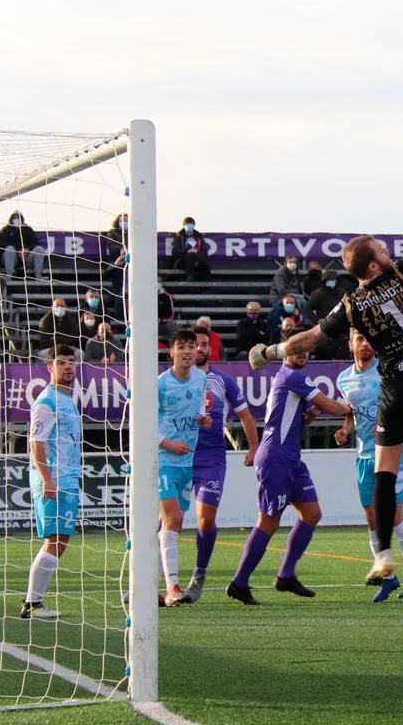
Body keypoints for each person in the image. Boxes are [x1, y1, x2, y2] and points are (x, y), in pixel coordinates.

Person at [250, 178, 403, 586]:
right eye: (382, 250)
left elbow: (309, 338)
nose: (388, 251)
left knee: (384, 472)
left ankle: (382, 554)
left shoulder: (349, 307)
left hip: (396, 389)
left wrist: (270, 353)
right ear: (373, 265)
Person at [226, 350, 350, 605]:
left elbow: (292, 423)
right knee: (269, 521)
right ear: (285, 352)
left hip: (290, 457)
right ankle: (239, 583)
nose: (303, 353)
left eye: (306, 349)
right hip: (276, 458)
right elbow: (332, 406)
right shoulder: (292, 376)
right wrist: (356, 406)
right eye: (296, 349)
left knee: (312, 514)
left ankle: (286, 574)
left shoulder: (292, 379)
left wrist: (308, 418)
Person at [334, 330, 403, 604]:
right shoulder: (344, 378)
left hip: (393, 450)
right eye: (358, 339)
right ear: (350, 344)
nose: (364, 343)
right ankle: (388, 577)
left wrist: (392, 425)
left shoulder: (388, 371)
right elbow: (351, 414)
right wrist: (345, 430)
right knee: (373, 520)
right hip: (364, 457)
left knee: (394, 515)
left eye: (368, 338)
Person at [186, 327, 260, 602]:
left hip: (211, 458)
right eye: (195, 345)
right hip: (179, 456)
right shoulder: (175, 381)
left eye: (205, 344)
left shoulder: (223, 381)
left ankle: (198, 576)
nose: (200, 349)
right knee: (166, 521)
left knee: (206, 520)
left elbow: (245, 414)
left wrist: (254, 447)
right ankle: (153, 582)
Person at [20, 345, 82, 620]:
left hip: (66, 478)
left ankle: (34, 602)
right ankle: (32, 603)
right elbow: (36, 443)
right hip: (53, 479)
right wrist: (47, 479)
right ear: (50, 367)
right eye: (61, 362)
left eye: (71, 362)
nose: (68, 366)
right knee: (55, 539)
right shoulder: (46, 402)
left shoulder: (68, 399)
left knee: (60, 539)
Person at [157, 329, 212, 607]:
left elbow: (200, 407)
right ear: (172, 352)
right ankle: (173, 587)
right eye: (182, 347)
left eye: (192, 346)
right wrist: (167, 443)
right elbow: (141, 421)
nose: (189, 351)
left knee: (170, 526)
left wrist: (202, 419)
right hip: (163, 459)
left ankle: (144, 587)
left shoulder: (201, 379)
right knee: (173, 520)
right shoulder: (161, 384)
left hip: (186, 462)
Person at [0, 211, 47, 282]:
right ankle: (9, 276)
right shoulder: (6, 230)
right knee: (10, 248)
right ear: (11, 219)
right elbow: (1, 244)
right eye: (15, 218)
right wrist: (18, 250)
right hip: (11, 258)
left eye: (18, 218)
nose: (17, 220)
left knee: (39, 249)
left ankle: (38, 276)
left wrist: (27, 249)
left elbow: (36, 242)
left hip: (26, 257)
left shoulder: (27, 229)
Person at [171, 217, 210, 281]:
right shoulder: (179, 237)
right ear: (184, 225)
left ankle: (206, 287)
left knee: (205, 265)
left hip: (197, 259)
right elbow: (175, 250)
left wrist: (196, 252)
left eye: (191, 224)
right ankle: (190, 276)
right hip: (183, 260)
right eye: (187, 224)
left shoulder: (199, 236)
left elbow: (204, 250)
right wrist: (187, 251)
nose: (189, 225)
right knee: (190, 255)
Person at [103, 214, 128, 299]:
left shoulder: (134, 233)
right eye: (122, 221)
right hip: (117, 259)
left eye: (126, 220)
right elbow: (111, 244)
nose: (124, 222)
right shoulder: (113, 232)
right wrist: (122, 249)